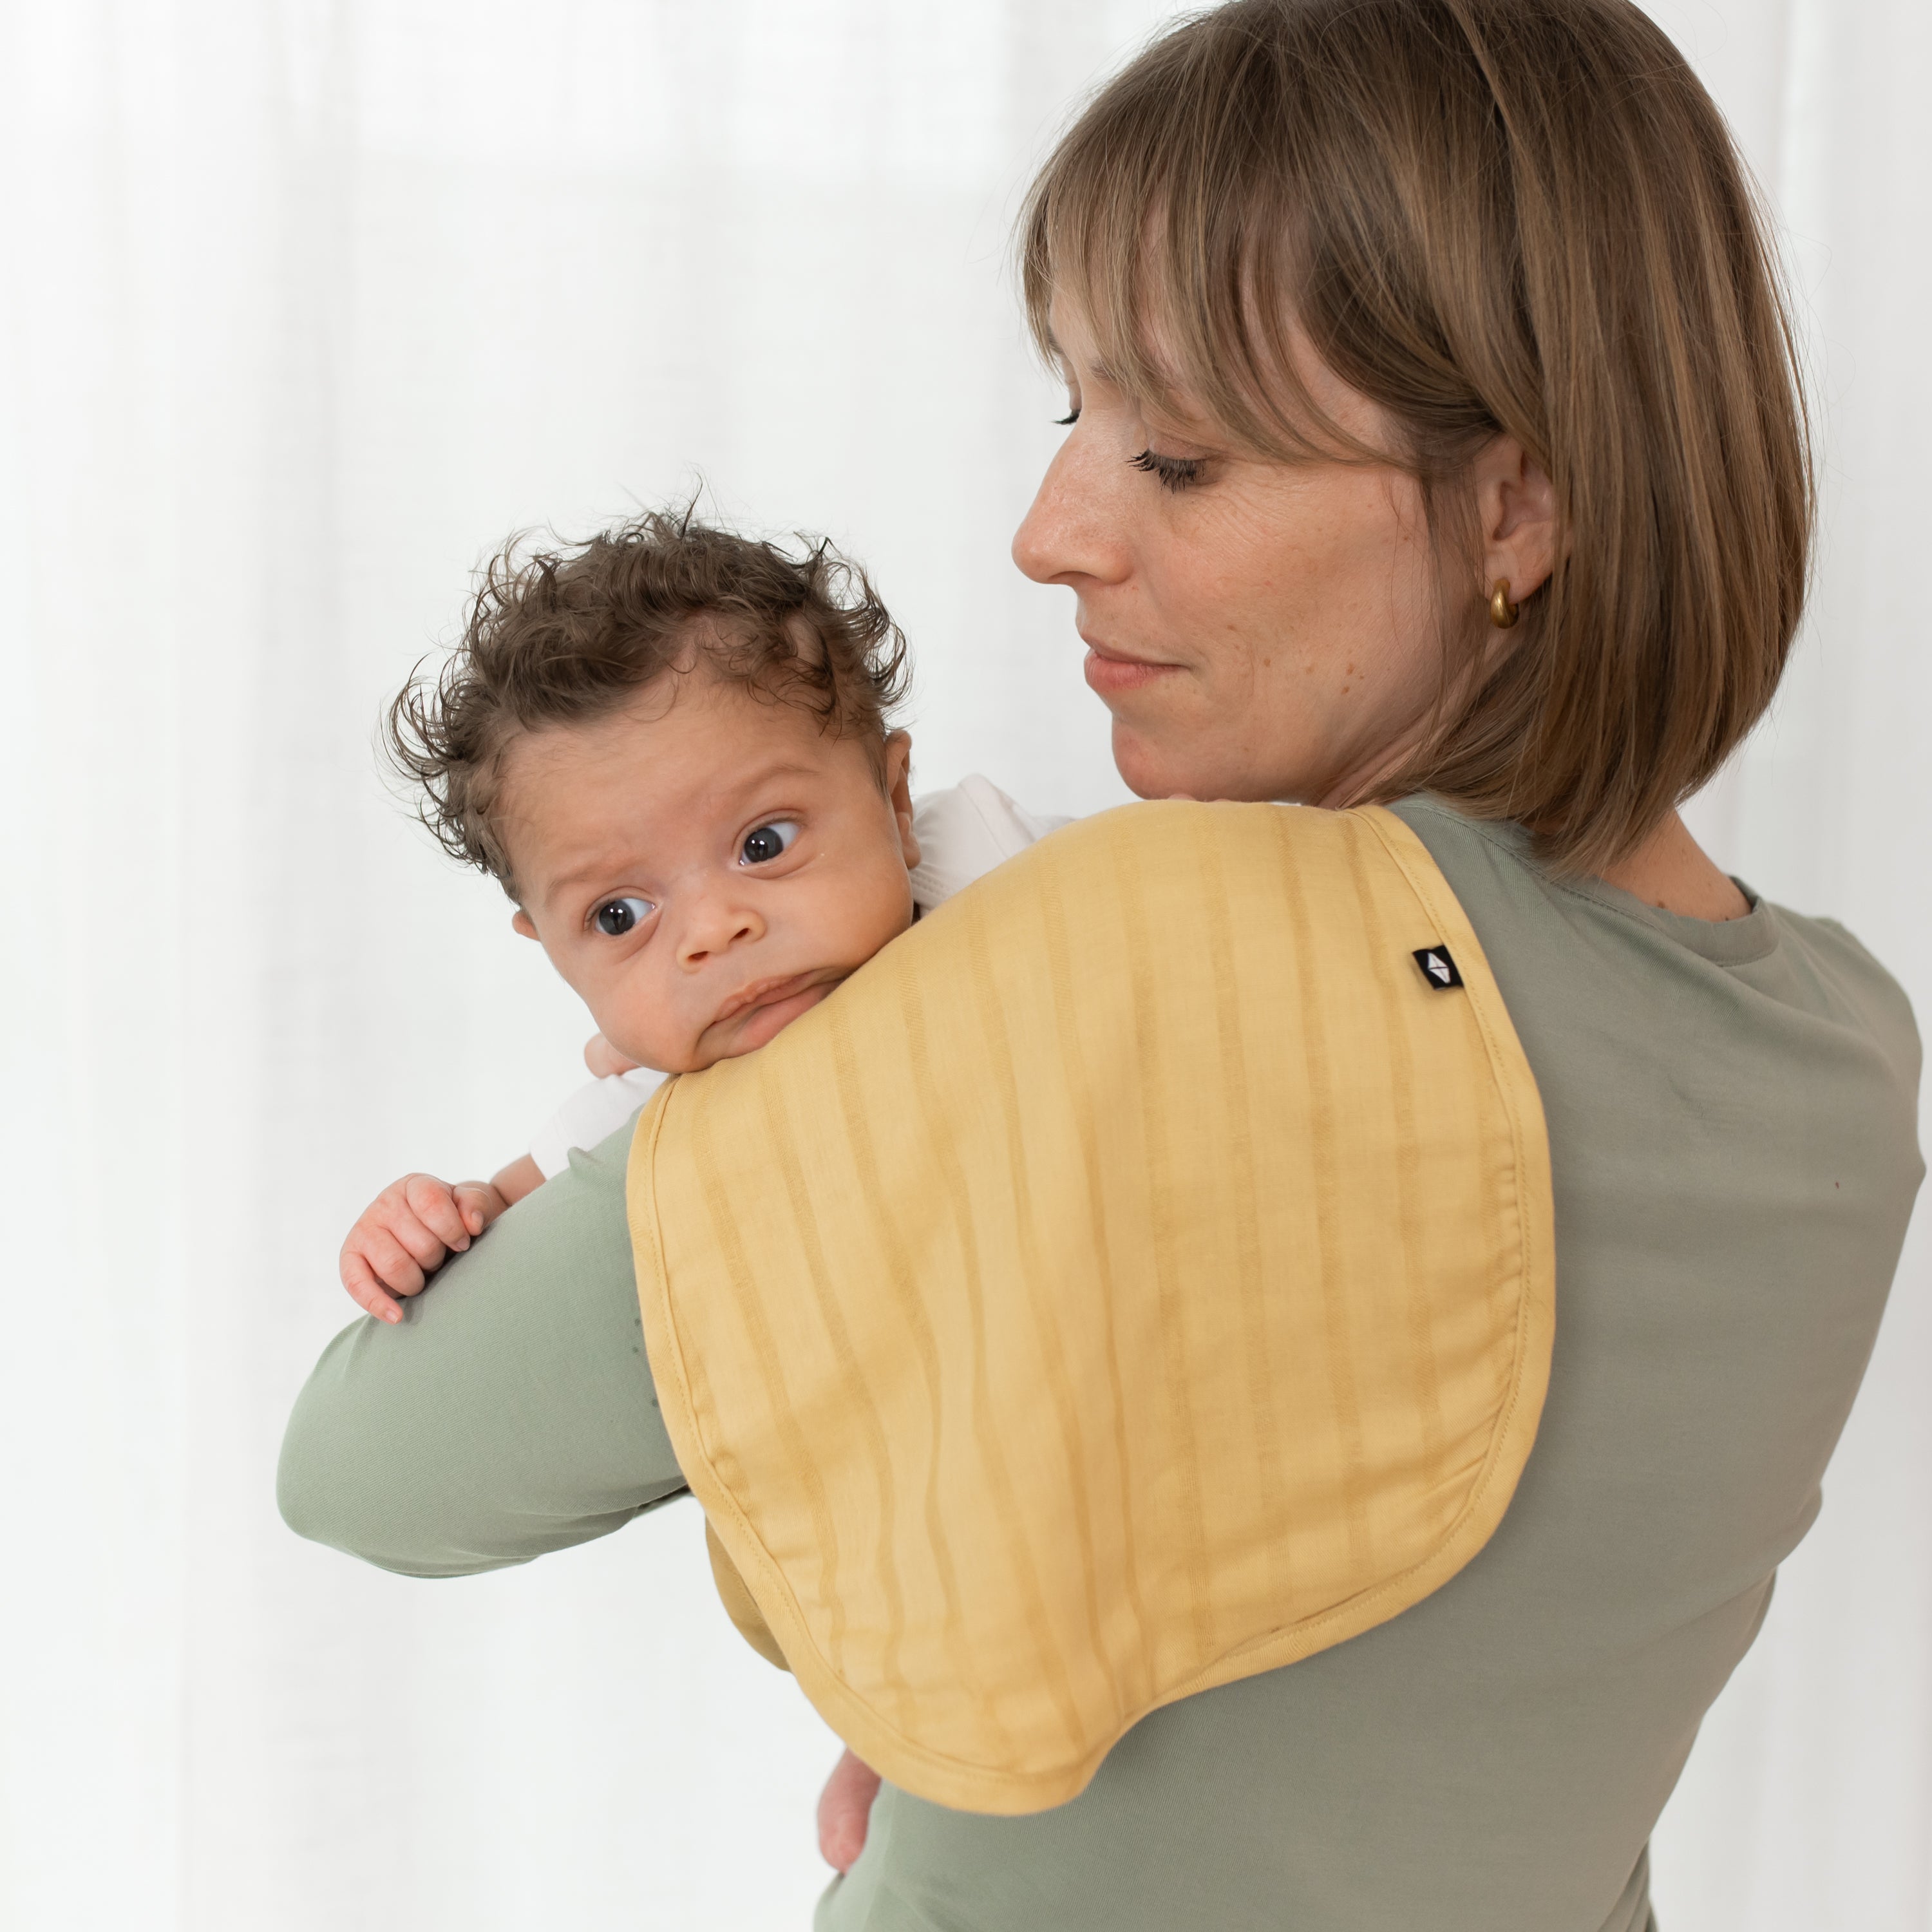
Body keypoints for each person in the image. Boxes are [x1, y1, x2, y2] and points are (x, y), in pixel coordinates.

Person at [279, 3, 1923, 1927]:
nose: (1051, 533)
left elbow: (371, 1463)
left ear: (1516, 506)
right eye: (1075, 418)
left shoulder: (1115, 966)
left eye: (1180, 456)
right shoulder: (1842, 1051)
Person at [333, 508, 1061, 1326]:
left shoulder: (995, 859)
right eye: (619, 916)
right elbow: (504, 1223)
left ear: (895, 805)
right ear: (555, 957)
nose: (715, 930)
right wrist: (428, 1223)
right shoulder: (646, 1101)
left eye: (764, 842)